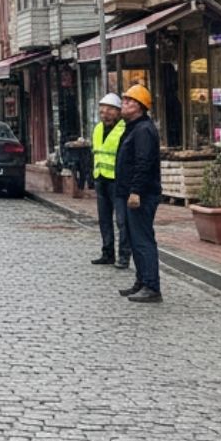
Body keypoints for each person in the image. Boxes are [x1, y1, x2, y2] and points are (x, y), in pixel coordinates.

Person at [114, 84, 164, 303]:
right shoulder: (133, 127)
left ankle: (151, 286)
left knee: (143, 240)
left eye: (128, 101)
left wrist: (135, 191)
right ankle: (142, 281)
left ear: (139, 106)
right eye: (124, 100)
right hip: (129, 193)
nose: (123, 104)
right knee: (135, 241)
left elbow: (143, 163)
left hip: (141, 195)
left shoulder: (143, 130)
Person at [89, 93, 129, 269]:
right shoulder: (98, 128)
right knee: (104, 220)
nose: (105, 115)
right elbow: (96, 152)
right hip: (100, 178)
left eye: (109, 111)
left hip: (117, 180)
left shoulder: (124, 129)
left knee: (122, 221)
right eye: (102, 111)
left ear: (118, 112)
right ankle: (107, 253)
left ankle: (124, 256)